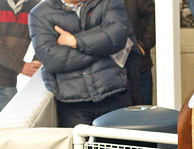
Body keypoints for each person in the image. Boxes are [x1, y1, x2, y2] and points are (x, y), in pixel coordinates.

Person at [29, 0, 132, 128]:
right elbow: (52, 59)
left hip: (113, 93)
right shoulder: (39, 13)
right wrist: (102, 47)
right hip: (72, 102)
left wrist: (75, 41)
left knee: (118, 147)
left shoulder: (108, 2)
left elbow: (118, 35)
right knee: (79, 148)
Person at [0, 0, 41, 117]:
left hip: (7, 82)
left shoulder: (37, 7)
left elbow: (43, 37)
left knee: (8, 131)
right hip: (8, 77)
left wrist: (37, 60)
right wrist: (21, 66)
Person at [122, 0, 154, 105]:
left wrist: (142, 47)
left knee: (143, 117)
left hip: (139, 67)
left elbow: (154, 18)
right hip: (107, 72)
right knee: (114, 118)